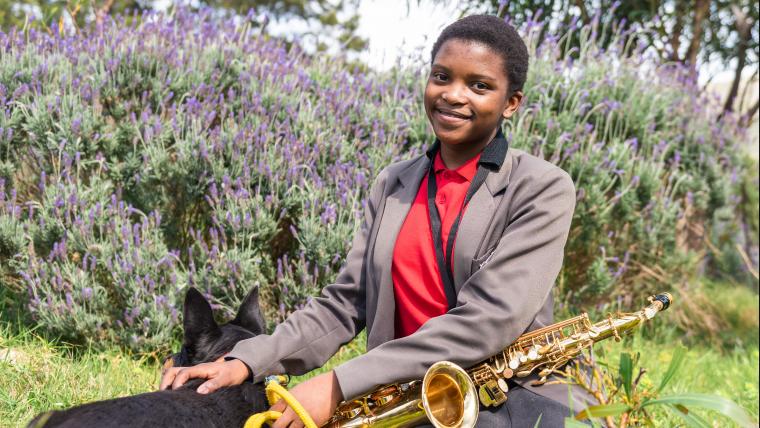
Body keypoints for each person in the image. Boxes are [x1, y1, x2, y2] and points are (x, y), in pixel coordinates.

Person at [160, 14, 595, 427]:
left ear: (511, 103)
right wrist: (246, 359)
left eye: (479, 85)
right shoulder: (393, 183)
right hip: (404, 395)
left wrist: (338, 384)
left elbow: (488, 322)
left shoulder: (543, 187)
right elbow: (346, 303)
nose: (453, 94)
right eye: (442, 76)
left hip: (511, 392)